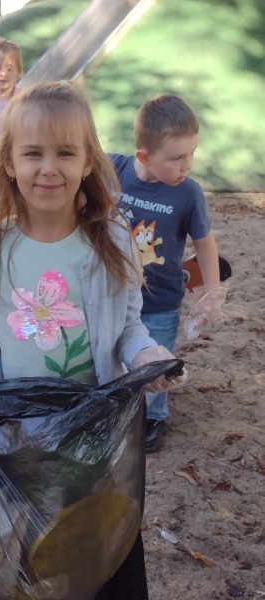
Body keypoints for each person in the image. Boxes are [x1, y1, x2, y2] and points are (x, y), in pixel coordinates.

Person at [0, 81, 187, 598]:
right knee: (34, 565)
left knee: (100, 551)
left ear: (88, 162)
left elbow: (130, 325)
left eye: (65, 152)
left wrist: (146, 355)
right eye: (33, 153)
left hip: (94, 441)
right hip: (20, 444)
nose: (49, 167)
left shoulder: (110, 241)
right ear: (8, 163)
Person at [108, 93, 222, 452]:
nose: (187, 164)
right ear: (144, 157)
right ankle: (119, 408)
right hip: (112, 296)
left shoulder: (188, 193)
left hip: (160, 302)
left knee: (156, 363)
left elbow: (204, 243)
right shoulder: (113, 171)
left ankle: (153, 417)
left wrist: (211, 292)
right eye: (176, 158)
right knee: (115, 357)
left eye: (192, 153)